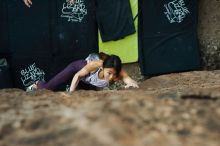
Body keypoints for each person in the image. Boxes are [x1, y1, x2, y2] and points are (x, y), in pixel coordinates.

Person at [26, 53, 139, 92]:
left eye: (114, 74)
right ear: (103, 66)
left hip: (88, 82)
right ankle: (38, 83)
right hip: (77, 69)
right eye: (109, 73)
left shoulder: (117, 72)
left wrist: (131, 84)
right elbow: (78, 76)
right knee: (47, 88)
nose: (111, 77)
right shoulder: (95, 65)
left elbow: (129, 80)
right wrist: (71, 93)